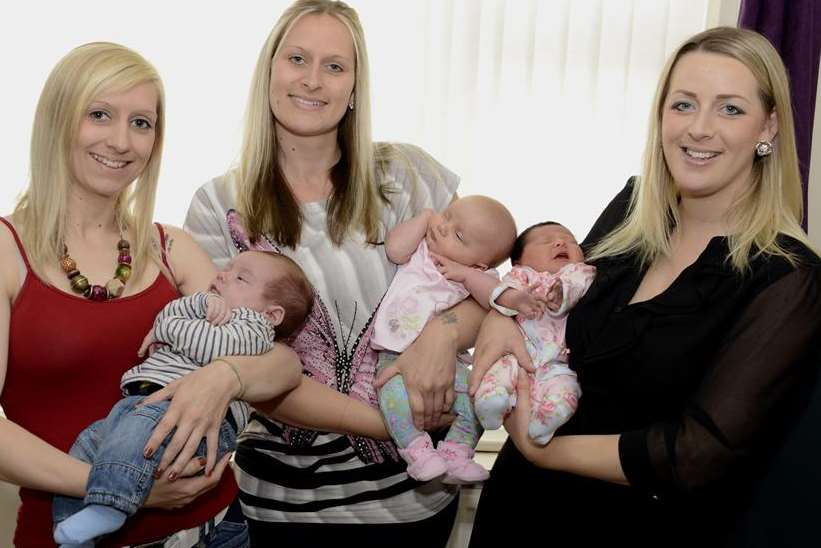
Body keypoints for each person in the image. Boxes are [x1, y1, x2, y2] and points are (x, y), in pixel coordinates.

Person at [468, 26, 821, 547]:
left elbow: (699, 453)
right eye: (683, 104)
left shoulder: (788, 279)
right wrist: (499, 315)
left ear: (768, 126)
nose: (699, 129)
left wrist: (545, 451)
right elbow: (549, 294)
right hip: (520, 510)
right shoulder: (630, 213)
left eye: (730, 109)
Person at [184, 0, 487, 544]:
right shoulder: (219, 204)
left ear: (354, 88)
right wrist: (395, 423)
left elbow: (483, 293)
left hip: (414, 506)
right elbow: (243, 366)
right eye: (297, 58)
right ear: (269, 70)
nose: (313, 81)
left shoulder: (410, 175)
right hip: (286, 511)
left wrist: (440, 339)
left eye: (335, 66)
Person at [0, 42, 302, 547]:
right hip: (69, 535)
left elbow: (282, 366)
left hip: (213, 529)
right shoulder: (7, 252)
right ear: (57, 120)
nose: (122, 141)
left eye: (142, 123)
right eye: (100, 115)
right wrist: (122, 488)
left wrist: (225, 376)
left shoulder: (171, 248)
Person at [52, 251, 311, 545]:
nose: (222, 275)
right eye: (227, 268)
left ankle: (110, 506)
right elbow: (167, 313)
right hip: (141, 404)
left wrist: (166, 328)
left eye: (240, 278)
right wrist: (198, 304)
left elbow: (206, 345)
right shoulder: (208, 310)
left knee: (133, 447)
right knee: (87, 445)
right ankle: (73, 529)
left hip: (181, 415)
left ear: (272, 314)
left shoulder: (254, 329)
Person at [371, 196, 516, 483]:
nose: (444, 227)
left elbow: (497, 303)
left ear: (479, 263)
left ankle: (457, 451)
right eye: (447, 215)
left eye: (458, 234)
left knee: (478, 396)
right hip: (394, 355)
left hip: (450, 364)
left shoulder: (479, 276)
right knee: (390, 395)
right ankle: (416, 450)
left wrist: (466, 275)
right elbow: (394, 249)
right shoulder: (421, 249)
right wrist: (425, 217)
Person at [473, 222, 595, 444]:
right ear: (518, 260)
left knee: (566, 388)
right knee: (500, 372)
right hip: (517, 351)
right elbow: (500, 293)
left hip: (560, 361)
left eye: (570, 241)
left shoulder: (580, 271)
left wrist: (562, 292)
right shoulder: (522, 275)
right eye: (546, 241)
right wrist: (515, 299)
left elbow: (578, 285)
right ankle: (491, 402)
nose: (560, 242)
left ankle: (548, 420)